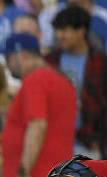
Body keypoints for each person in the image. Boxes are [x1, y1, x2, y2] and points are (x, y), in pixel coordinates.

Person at [1, 33, 77, 177]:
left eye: (8, 58)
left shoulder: (36, 78)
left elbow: (37, 124)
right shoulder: (61, 80)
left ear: (22, 56)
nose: (7, 64)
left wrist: (24, 173)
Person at [45, 5, 107, 159]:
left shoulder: (101, 63)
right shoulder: (49, 61)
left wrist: (99, 137)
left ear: (81, 31)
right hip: (54, 142)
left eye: (64, 30)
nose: (59, 35)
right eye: (57, 30)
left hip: (88, 143)